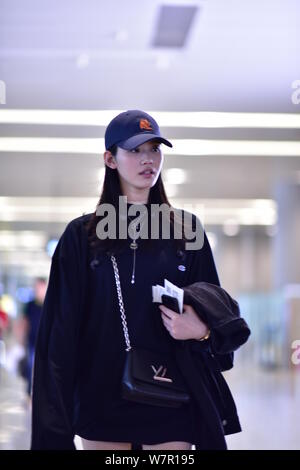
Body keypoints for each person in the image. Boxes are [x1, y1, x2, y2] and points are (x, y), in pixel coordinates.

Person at [31, 110, 250, 450]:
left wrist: (202, 330)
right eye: (135, 150)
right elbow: (58, 339)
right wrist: (53, 432)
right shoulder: (82, 236)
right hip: (101, 405)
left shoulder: (185, 232)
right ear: (110, 159)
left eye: (154, 149)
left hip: (173, 404)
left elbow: (218, 315)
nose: (148, 159)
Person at [23, 278, 47, 399]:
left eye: (39, 287)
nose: (37, 290)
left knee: (43, 367)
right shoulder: (30, 304)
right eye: (36, 287)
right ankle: (29, 392)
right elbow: (25, 322)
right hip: (32, 341)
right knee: (30, 366)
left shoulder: (49, 304)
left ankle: (41, 391)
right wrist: (22, 338)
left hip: (45, 341)